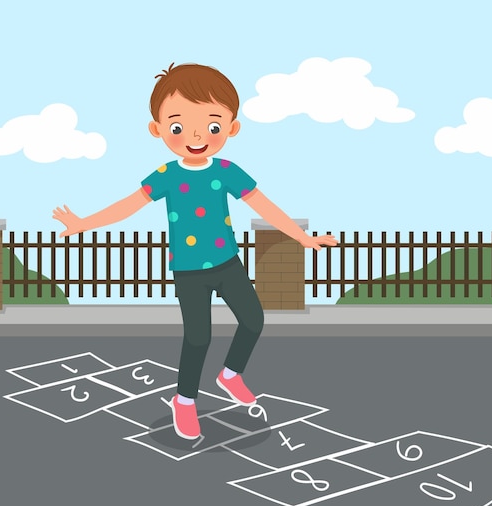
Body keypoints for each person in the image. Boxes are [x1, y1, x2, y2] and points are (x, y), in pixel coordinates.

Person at [53, 62, 338, 440]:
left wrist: (302, 238)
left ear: (231, 128)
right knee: (198, 338)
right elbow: (127, 206)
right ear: (158, 130)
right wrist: (83, 223)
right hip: (189, 270)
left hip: (227, 262)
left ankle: (230, 375)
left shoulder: (227, 170)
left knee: (253, 319)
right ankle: (184, 401)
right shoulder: (167, 176)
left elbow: (264, 206)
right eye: (178, 126)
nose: (197, 135)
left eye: (213, 126)